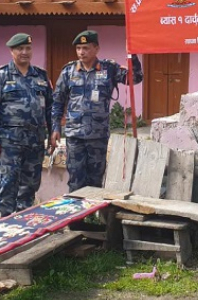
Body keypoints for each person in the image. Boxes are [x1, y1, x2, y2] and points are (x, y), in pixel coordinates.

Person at [51, 30, 143, 192]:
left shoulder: (109, 69)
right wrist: (56, 127)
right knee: (75, 181)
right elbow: (57, 102)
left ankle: (93, 216)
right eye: (78, 48)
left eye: (86, 48)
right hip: (75, 136)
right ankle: (77, 217)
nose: (81, 52)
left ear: (96, 49)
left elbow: (134, 78)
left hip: (98, 136)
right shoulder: (68, 72)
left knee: (95, 181)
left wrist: (133, 55)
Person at [0, 33, 53, 217]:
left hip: (35, 142)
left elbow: (50, 109)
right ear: (11, 51)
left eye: (28, 48)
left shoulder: (40, 76)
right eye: (20, 49)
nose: (24, 52)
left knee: (30, 183)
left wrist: (54, 132)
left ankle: (24, 218)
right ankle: (5, 219)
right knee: (8, 182)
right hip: (10, 143)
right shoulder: (1, 77)